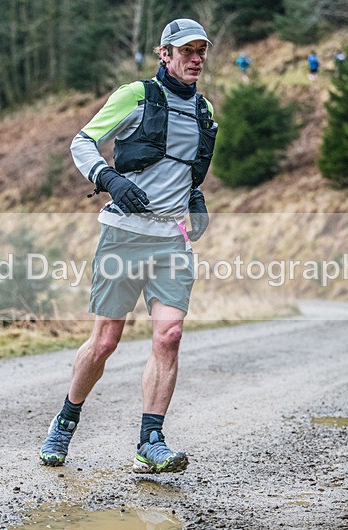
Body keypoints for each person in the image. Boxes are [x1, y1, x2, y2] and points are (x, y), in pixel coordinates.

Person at [39, 18, 217, 474]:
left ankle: (150, 441)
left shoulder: (205, 111)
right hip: (124, 233)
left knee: (170, 335)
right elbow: (83, 142)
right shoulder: (134, 96)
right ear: (164, 54)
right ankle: (66, 418)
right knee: (105, 341)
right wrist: (110, 179)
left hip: (171, 239)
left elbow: (187, 170)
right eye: (187, 50)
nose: (196, 58)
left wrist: (195, 200)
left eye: (202, 50)